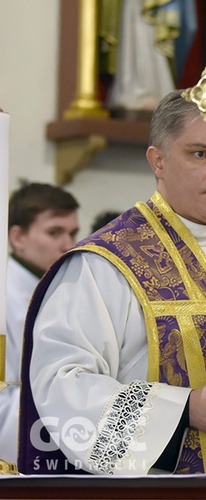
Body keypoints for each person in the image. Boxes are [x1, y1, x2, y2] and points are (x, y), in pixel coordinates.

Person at [18, 89, 206, 475]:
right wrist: (185, 409)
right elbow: (62, 387)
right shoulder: (105, 263)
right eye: (200, 154)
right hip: (151, 487)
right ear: (158, 161)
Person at [0, 182, 79, 465]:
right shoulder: (4, 296)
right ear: (17, 237)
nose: (68, 245)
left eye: (73, 233)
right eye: (54, 232)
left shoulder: (60, 290)